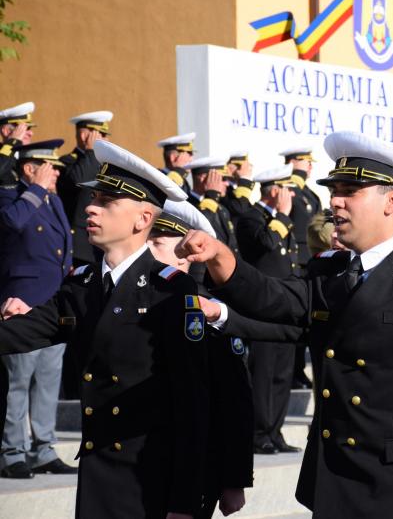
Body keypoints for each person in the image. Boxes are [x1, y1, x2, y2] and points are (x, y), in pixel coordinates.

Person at [177, 130, 393, 519]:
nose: (335, 202)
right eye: (334, 190)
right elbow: (275, 300)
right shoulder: (329, 272)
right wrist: (222, 259)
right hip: (333, 481)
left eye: (350, 191)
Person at [0, 140, 209, 518]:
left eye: (107, 202)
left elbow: (191, 403)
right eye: (93, 197)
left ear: (142, 219)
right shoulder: (82, 284)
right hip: (98, 477)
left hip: (148, 478)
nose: (91, 207)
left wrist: (185, 501)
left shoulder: (170, 291)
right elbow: (25, 330)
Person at [147, 200, 252, 519]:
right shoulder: (135, 301)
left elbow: (235, 402)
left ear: (186, 254)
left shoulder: (206, 314)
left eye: (157, 244)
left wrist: (234, 480)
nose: (148, 251)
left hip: (194, 467)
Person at [0, 140, 75, 479]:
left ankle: (43, 448)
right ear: (30, 168)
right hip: (22, 301)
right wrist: (33, 190)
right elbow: (11, 224)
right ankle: (11, 451)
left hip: (53, 302)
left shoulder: (54, 200)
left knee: (47, 380)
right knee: (18, 381)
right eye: (50, 167)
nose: (56, 172)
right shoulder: (13, 197)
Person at [235, 164, 302, 454]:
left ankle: (275, 431)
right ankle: (259, 432)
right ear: (274, 190)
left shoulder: (280, 220)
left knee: (282, 374)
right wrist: (283, 216)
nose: (289, 195)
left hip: (285, 306)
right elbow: (264, 244)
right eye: (285, 188)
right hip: (261, 307)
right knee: (262, 372)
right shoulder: (251, 218)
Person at [281, 147, 322, 389]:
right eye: (306, 161)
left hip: (311, 260)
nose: (310, 166)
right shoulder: (290, 189)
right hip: (297, 261)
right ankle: (295, 370)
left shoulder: (309, 193)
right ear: (293, 162)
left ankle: (298, 369)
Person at [57, 111, 113, 266]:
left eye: (106, 134)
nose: (106, 138)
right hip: (81, 246)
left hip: (104, 241)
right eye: (101, 134)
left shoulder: (104, 163)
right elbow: (80, 179)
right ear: (84, 135)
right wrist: (90, 151)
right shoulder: (67, 162)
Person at [0, 102, 35, 185]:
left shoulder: (28, 156)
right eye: (24, 128)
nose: (31, 133)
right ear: (6, 131)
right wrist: (13, 142)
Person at [221, 150, 255, 225]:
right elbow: (239, 208)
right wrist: (244, 179)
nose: (244, 170)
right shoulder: (222, 188)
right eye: (238, 166)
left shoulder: (237, 187)